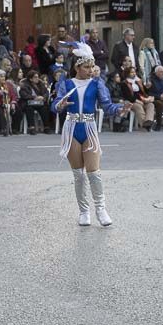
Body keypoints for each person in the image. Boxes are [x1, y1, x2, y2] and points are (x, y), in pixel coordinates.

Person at [52, 42, 126, 227]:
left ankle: (101, 209)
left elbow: (107, 106)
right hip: (71, 128)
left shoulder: (97, 83)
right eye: (86, 67)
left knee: (94, 173)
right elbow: (55, 104)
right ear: (77, 67)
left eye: (92, 66)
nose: (91, 70)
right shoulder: (66, 83)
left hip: (90, 128)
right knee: (78, 175)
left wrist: (120, 109)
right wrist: (59, 106)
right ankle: (84, 212)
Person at [17, 70, 48, 134]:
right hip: (28, 103)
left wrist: (43, 97)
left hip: (39, 103)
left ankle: (46, 127)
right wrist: (35, 98)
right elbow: (24, 95)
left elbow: (46, 92)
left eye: (38, 77)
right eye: (35, 77)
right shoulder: (24, 85)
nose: (37, 78)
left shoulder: (40, 84)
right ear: (31, 79)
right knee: (29, 109)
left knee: (44, 108)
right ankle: (31, 128)